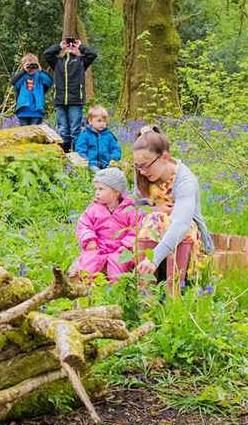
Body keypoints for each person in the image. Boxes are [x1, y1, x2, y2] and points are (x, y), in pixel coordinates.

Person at [131, 130, 214, 293]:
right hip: (153, 233)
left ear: (164, 157)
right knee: (155, 217)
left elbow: (181, 225)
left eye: (145, 165)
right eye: (137, 166)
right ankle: (145, 292)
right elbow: (133, 208)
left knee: (159, 219)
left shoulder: (185, 180)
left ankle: (174, 291)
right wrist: (153, 209)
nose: (141, 171)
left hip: (187, 236)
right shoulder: (144, 175)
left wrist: (153, 258)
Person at [71, 167, 142, 283]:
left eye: (101, 189)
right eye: (96, 189)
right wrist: (89, 239)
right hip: (99, 246)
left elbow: (136, 229)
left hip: (120, 248)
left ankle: (115, 288)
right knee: (89, 261)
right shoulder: (94, 209)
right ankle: (86, 285)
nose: (97, 193)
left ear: (116, 192)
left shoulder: (130, 210)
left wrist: (127, 245)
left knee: (117, 264)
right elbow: (84, 225)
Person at [42, 37, 97, 152]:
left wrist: (80, 46)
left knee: (75, 130)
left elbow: (92, 54)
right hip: (60, 100)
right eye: (68, 46)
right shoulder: (57, 62)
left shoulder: (81, 62)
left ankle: (78, 154)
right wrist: (60, 46)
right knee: (62, 130)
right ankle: (65, 155)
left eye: (73, 46)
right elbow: (47, 54)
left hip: (75, 101)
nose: (70, 47)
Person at [73, 105, 122, 171]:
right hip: (91, 164)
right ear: (90, 121)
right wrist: (85, 160)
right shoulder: (85, 135)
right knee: (97, 173)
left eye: (104, 121)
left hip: (107, 164)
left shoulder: (109, 136)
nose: (102, 124)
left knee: (116, 172)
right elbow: (80, 150)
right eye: (99, 121)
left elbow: (116, 149)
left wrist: (113, 158)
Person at [10, 53, 52, 126]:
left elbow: (49, 82)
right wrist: (23, 71)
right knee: (24, 133)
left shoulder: (39, 76)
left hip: (37, 111)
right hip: (23, 110)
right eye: (29, 65)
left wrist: (40, 70)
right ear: (23, 66)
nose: (31, 67)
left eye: (33, 64)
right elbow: (14, 83)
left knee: (35, 133)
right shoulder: (22, 76)